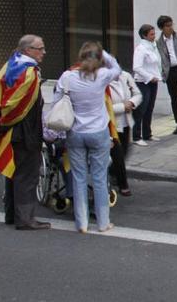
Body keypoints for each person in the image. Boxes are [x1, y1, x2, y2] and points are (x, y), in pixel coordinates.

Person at [53, 42, 121, 234]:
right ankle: (103, 222)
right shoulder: (101, 76)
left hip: (75, 132)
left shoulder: (67, 77)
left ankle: (81, 222)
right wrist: (105, 53)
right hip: (98, 131)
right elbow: (117, 69)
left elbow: (57, 99)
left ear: (80, 57)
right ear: (98, 59)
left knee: (78, 177)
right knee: (99, 178)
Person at [0, 35, 49, 230]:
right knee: (27, 175)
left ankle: (11, 215)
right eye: (40, 48)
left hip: (9, 130)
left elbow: (1, 99)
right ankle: (25, 219)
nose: (43, 52)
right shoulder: (30, 72)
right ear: (28, 50)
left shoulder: (8, 66)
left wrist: (2, 123)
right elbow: (20, 106)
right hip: (25, 131)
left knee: (12, 173)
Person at [109, 69, 142, 197]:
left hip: (126, 122)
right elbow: (103, 106)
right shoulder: (102, 81)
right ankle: (123, 185)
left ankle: (112, 173)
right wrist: (122, 107)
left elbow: (138, 94)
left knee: (125, 151)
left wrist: (132, 103)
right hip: (112, 125)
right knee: (118, 154)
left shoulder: (126, 76)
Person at [132, 24, 162, 146]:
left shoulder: (153, 46)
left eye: (154, 33)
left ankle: (147, 133)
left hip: (153, 82)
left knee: (149, 108)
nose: (154, 36)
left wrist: (158, 76)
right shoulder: (141, 49)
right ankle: (136, 136)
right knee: (141, 109)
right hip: (142, 82)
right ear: (144, 35)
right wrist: (150, 77)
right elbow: (137, 67)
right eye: (151, 34)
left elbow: (156, 64)